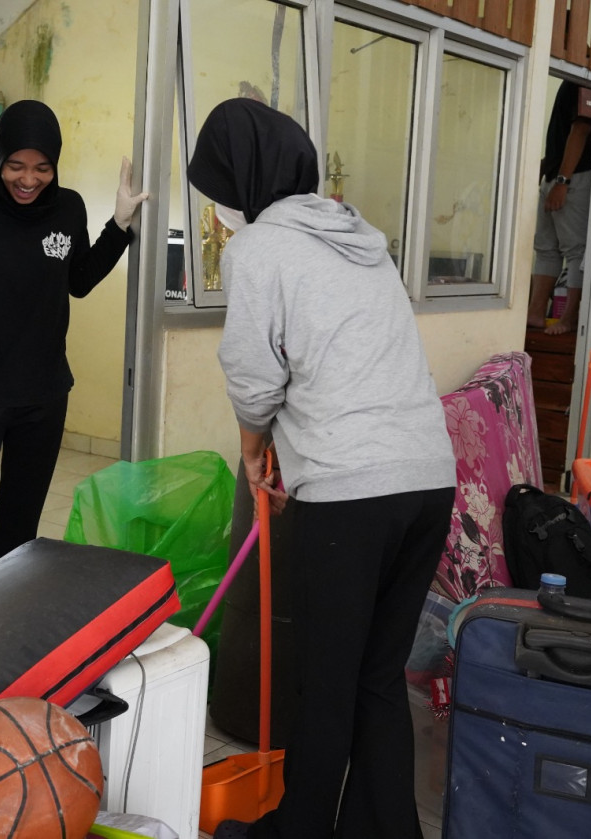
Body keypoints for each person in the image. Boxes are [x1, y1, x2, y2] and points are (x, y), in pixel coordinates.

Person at [188, 98, 457, 839]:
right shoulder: (360, 240)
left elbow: (252, 375)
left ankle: (297, 831)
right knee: (376, 677)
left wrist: (252, 448)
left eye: (220, 189)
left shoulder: (261, 249)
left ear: (244, 179)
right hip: (429, 481)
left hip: (350, 492)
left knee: (326, 680)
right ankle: (388, 830)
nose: (219, 209)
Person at [0, 99, 147, 608]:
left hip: (44, 393)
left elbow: (80, 281)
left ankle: (1, 616)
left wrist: (120, 226)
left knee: (20, 522)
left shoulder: (67, 209)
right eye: (17, 166)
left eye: (42, 168)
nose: (29, 179)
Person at [527, 79, 591, 335]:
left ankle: (569, 318)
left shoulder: (587, 79)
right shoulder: (570, 79)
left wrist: (563, 181)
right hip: (556, 176)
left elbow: (581, 130)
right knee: (545, 247)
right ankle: (535, 312)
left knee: (576, 251)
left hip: (573, 178)